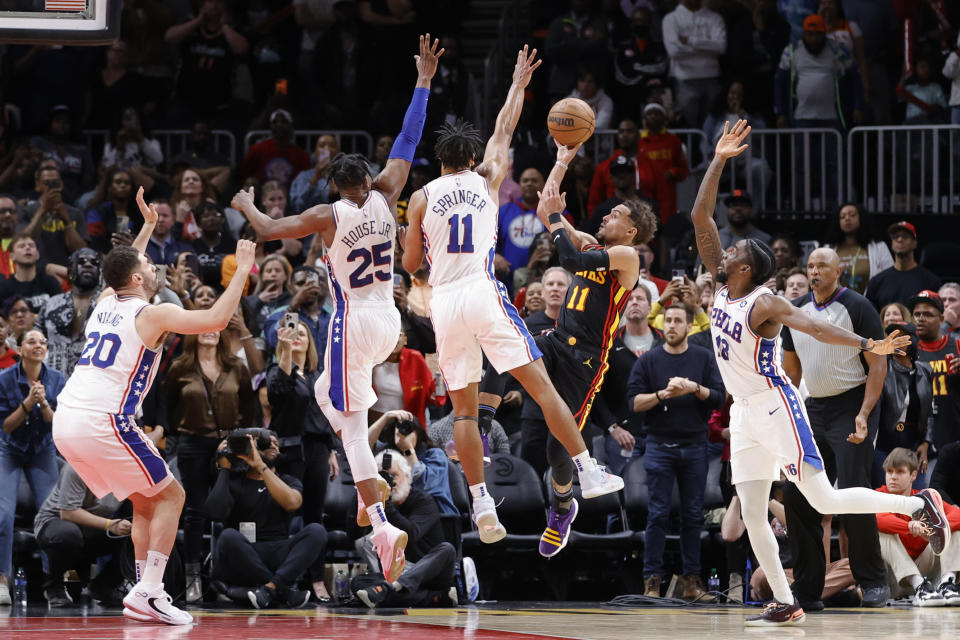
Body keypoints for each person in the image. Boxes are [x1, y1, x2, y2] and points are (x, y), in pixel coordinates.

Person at [689, 119, 950, 626]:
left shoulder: (762, 301)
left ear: (747, 267)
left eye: (734, 252)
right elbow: (700, 213)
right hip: (744, 412)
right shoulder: (722, 285)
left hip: (775, 403)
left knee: (823, 496)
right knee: (755, 507)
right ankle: (787, 602)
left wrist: (867, 343)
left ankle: (920, 506)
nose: (725, 251)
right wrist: (719, 160)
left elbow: (813, 325)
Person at [234, 35, 443, 584]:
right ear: (367, 180)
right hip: (389, 320)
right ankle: (368, 498)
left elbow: (269, 230)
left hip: (352, 321)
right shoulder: (389, 188)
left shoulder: (329, 213)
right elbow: (409, 134)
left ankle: (378, 521)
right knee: (332, 404)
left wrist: (245, 204)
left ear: (336, 185)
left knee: (345, 423)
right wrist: (423, 81)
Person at [402, 47, 627, 549]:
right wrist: (519, 84)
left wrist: (411, 237)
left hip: (445, 300)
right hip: (482, 291)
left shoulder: (420, 197)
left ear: (440, 161)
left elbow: (411, 263)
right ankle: (587, 471)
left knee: (462, 412)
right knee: (542, 386)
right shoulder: (488, 179)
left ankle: (481, 502)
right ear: (472, 158)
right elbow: (504, 128)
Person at [51, 187, 258, 625]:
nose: (153, 264)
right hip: (104, 418)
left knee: (147, 500)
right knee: (173, 494)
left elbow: (121, 270)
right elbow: (217, 321)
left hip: (68, 417)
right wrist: (241, 271)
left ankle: (145, 591)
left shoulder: (106, 302)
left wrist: (145, 228)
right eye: (148, 263)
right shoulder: (153, 314)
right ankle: (150, 590)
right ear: (139, 279)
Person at [480, 146, 657, 558]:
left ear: (631, 231)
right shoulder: (595, 243)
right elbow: (547, 209)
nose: (607, 216)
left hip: (587, 362)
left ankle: (562, 508)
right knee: (507, 352)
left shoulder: (627, 257)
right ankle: (484, 429)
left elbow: (570, 255)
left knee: (556, 452)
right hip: (558, 341)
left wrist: (560, 223)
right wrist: (561, 159)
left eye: (616, 216)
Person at [780, 247, 893, 608]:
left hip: (852, 403)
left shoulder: (858, 307)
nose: (814, 271)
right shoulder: (794, 312)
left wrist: (864, 413)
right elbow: (792, 372)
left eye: (821, 266)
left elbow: (878, 366)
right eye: (810, 265)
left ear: (838, 271)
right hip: (813, 406)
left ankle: (873, 580)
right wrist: (787, 411)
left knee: (853, 488)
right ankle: (808, 589)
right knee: (797, 491)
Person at [628, 304, 725, 600]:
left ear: (688, 327)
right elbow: (633, 403)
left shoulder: (703, 358)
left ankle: (692, 581)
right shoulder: (649, 361)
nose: (671, 325)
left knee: (693, 515)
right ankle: (652, 580)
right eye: (667, 320)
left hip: (695, 446)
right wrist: (663, 394)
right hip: (659, 445)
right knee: (657, 514)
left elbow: (720, 399)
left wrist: (695, 388)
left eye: (677, 321)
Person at [165, 328, 255, 602]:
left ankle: (228, 578)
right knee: (195, 512)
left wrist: (236, 440)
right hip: (192, 444)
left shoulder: (236, 366)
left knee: (232, 509)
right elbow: (169, 408)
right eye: (203, 327)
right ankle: (193, 580)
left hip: (229, 444)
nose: (210, 332)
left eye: (216, 328)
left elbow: (248, 408)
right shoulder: (179, 367)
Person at [207, 432, 325, 609]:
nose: (274, 447)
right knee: (228, 536)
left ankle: (269, 589)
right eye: (266, 443)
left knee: (317, 531)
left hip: (279, 551)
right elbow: (214, 513)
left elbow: (292, 503)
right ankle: (281, 590)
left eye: (277, 444)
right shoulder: (235, 481)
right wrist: (224, 468)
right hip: (246, 554)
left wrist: (261, 467)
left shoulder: (288, 480)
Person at [0, 328, 65, 605]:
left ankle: (54, 582)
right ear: (20, 348)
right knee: (3, 514)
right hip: (9, 450)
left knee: (52, 516)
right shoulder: (4, 379)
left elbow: (59, 424)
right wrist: (28, 403)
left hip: (42, 451)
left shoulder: (58, 380)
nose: (38, 345)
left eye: (42, 342)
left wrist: (43, 405)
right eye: (32, 341)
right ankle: (2, 580)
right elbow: (6, 426)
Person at [354, 451, 458, 608]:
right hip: (397, 574)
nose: (390, 482)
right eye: (384, 477)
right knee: (358, 582)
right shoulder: (378, 506)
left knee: (447, 549)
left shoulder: (423, 501)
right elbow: (353, 534)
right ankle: (433, 598)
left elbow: (411, 534)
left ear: (408, 476)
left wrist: (385, 503)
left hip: (429, 573)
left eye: (394, 475)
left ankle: (390, 590)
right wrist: (365, 493)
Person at [33, 462, 132, 607]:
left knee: (139, 535)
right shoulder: (77, 467)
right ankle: (54, 586)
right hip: (56, 521)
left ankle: (104, 585)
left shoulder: (129, 474)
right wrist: (109, 525)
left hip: (94, 527)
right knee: (67, 534)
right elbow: (68, 513)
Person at [876, 448, 960, 606]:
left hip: (926, 571)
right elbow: (877, 519)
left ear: (913, 475)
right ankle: (919, 585)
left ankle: (947, 584)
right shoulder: (879, 495)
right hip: (894, 578)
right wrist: (908, 526)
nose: (893, 477)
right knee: (882, 534)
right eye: (889, 471)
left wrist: (932, 528)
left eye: (900, 472)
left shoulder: (924, 498)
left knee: (953, 530)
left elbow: (957, 514)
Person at [593, 286, 662, 475]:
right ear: (622, 307)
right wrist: (612, 427)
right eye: (629, 299)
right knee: (624, 491)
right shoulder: (608, 343)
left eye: (640, 298)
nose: (634, 302)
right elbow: (596, 392)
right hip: (623, 435)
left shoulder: (665, 342)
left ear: (650, 307)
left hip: (660, 435)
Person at [873, 323, 934, 490]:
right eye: (892, 336)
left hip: (913, 441)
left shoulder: (925, 370)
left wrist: (926, 443)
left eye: (902, 336)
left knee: (917, 491)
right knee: (884, 490)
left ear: (913, 341)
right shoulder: (881, 367)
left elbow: (930, 411)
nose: (896, 340)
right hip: (884, 440)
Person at [34, 248, 103, 378]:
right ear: (70, 269)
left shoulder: (107, 305)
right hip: (53, 379)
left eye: (94, 263)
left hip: (92, 380)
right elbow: (37, 337)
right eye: (82, 262)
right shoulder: (51, 304)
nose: (88, 265)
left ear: (100, 271)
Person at [661, 0, 727, 129]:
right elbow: (674, 51)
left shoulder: (715, 18)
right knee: (687, 125)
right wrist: (707, 47)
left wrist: (690, 41)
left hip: (711, 77)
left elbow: (721, 47)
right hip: (684, 79)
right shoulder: (671, 19)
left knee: (713, 125)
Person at [909, 290, 960, 451]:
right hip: (916, 435)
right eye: (916, 314)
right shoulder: (907, 350)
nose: (920, 318)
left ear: (942, 318)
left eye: (928, 314)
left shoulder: (957, 346)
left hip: (952, 430)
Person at [865, 222, 941, 311]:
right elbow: (870, 316)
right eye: (895, 237)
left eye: (905, 236)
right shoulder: (877, 282)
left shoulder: (930, 281)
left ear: (915, 243)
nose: (900, 239)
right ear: (892, 243)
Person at [822, 202, 893, 295]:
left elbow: (890, 277)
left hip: (870, 305)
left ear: (861, 218)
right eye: (842, 217)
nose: (847, 218)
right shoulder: (828, 249)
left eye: (852, 215)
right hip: (836, 306)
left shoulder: (878, 247)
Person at [239, 110, 311, 187]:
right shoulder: (257, 149)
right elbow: (244, 174)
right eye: (275, 122)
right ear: (270, 127)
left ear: (291, 126)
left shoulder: (302, 155)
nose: (279, 125)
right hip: (263, 194)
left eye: (284, 121)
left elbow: (306, 181)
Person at [0, 235, 62, 313]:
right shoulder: (4, 288)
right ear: (12, 256)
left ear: (37, 255)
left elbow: (61, 311)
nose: (27, 248)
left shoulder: (50, 282)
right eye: (21, 246)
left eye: (31, 245)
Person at [289, 134, 339, 211]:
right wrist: (315, 179)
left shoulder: (344, 176)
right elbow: (298, 206)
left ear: (337, 151)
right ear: (315, 152)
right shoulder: (304, 176)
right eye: (322, 146)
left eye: (331, 146)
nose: (327, 149)